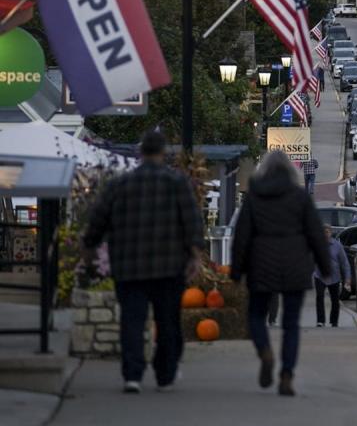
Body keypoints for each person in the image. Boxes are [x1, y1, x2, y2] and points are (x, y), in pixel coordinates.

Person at [84, 130, 203, 394]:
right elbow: (193, 222)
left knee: (132, 321)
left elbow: (98, 219)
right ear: (162, 153)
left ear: (140, 154)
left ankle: (132, 375)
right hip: (169, 266)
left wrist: (90, 247)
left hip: (129, 265)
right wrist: (194, 255)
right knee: (168, 321)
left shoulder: (120, 184)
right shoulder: (177, 183)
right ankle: (165, 374)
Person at [231, 151, 331, 397]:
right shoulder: (300, 197)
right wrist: (325, 265)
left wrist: (236, 270)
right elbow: (316, 234)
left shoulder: (254, 197)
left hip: (260, 263)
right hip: (295, 263)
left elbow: (242, 236)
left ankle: (265, 351)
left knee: (255, 315)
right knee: (291, 325)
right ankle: (287, 375)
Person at [314, 226, 351, 327]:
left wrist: (347, 278)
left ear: (331, 233)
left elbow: (344, 263)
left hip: (334, 276)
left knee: (335, 299)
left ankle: (334, 321)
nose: (325, 234)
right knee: (319, 297)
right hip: (319, 275)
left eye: (327, 232)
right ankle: (320, 321)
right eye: (323, 232)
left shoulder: (337, 245)